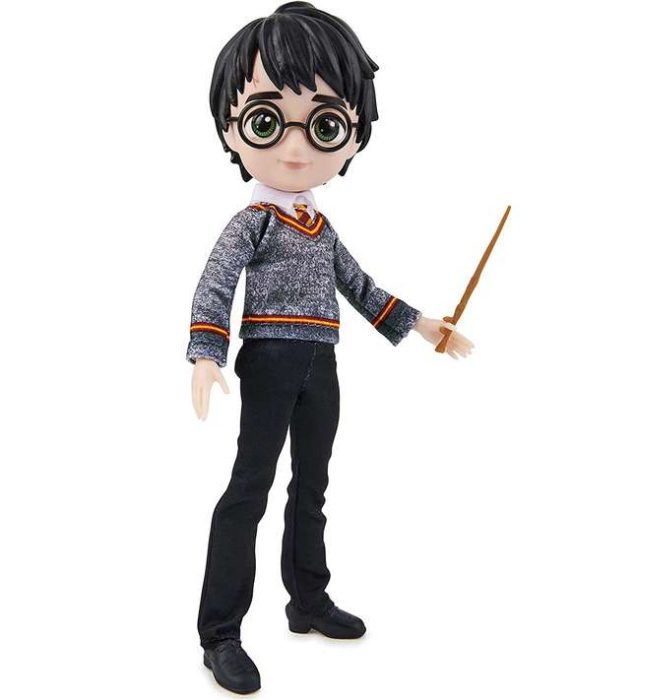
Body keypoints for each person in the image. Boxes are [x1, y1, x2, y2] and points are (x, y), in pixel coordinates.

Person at [187, 2, 473, 694]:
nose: (295, 148)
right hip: (269, 360)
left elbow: (362, 287)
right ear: (231, 127)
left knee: (311, 485)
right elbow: (216, 282)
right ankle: (220, 632)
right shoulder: (253, 221)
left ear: (352, 135)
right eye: (265, 121)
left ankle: (307, 599)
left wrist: (424, 325)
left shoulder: (322, 228)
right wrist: (206, 352)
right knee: (249, 488)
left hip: (322, 363)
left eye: (323, 126)